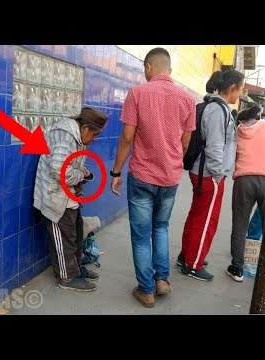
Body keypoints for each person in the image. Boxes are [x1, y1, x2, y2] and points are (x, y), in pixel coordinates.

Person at [110, 47, 196, 308]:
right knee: (161, 227)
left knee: (140, 235)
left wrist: (116, 172)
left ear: (149, 66)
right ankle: (162, 281)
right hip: (170, 178)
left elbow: (127, 137)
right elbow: (185, 143)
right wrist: (170, 162)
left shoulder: (137, 94)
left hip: (142, 176)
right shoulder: (188, 99)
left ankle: (146, 290)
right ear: (168, 68)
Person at [178, 69, 244, 281]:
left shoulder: (215, 107)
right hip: (209, 174)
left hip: (203, 173)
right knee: (207, 221)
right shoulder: (218, 110)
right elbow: (215, 146)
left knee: (197, 215)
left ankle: (187, 256)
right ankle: (193, 264)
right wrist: (218, 174)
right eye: (241, 89)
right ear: (232, 88)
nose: (240, 94)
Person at [33, 106, 108, 291]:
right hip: (55, 196)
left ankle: (76, 268)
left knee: (76, 234)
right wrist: (81, 175)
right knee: (64, 238)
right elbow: (59, 171)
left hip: (67, 195)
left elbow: (71, 169)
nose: (95, 139)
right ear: (84, 129)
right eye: (95, 134)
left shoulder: (78, 136)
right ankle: (67, 278)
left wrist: (81, 174)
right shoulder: (66, 136)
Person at [226, 106, 265, 282]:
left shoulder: (237, 132)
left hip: (243, 180)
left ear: (242, 120)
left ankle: (237, 268)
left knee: (240, 224)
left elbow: (231, 155)